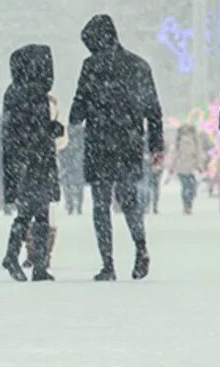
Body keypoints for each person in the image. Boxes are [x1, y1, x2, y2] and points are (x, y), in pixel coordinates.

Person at [69, 14, 163, 281]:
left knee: (101, 204)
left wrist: (77, 116)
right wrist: (156, 144)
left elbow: (78, 108)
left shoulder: (90, 66)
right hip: (129, 141)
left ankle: (107, 264)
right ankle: (140, 247)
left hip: (99, 142)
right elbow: (153, 109)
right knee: (128, 198)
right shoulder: (138, 65)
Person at [1, 45, 64, 282]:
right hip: (34, 160)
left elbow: (17, 129)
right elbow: (30, 129)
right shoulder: (32, 93)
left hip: (25, 161)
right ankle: (21, 258)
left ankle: (35, 263)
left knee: (34, 213)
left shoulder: (16, 91)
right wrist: (51, 129)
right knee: (33, 213)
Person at [167, 123, 205, 215]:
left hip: (192, 167)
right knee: (186, 187)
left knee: (192, 187)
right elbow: (175, 155)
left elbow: (198, 154)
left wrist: (199, 165)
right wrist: (172, 167)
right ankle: (186, 205)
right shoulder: (179, 141)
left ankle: (188, 203)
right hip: (182, 167)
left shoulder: (195, 140)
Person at [59, 123, 86, 215]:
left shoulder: (65, 129)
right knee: (77, 184)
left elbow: (60, 146)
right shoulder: (81, 131)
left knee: (68, 184)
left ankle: (71, 205)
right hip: (76, 159)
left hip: (69, 159)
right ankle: (76, 205)